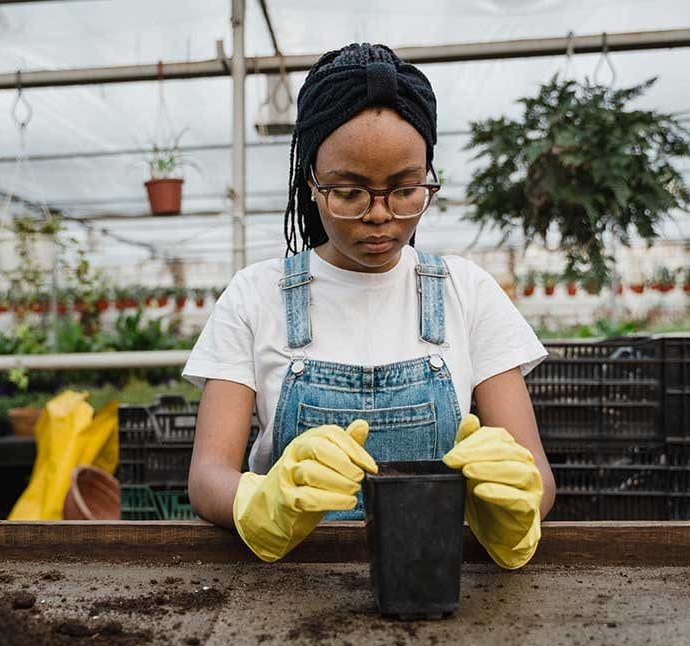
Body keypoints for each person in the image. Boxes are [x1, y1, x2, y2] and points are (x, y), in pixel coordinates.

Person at [183, 43, 555, 570]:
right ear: (310, 182)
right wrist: (261, 500)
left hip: (434, 576)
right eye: (349, 192)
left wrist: (512, 505)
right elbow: (207, 476)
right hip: (293, 587)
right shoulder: (255, 295)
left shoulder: (466, 291)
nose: (380, 215)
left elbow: (537, 476)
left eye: (405, 189)